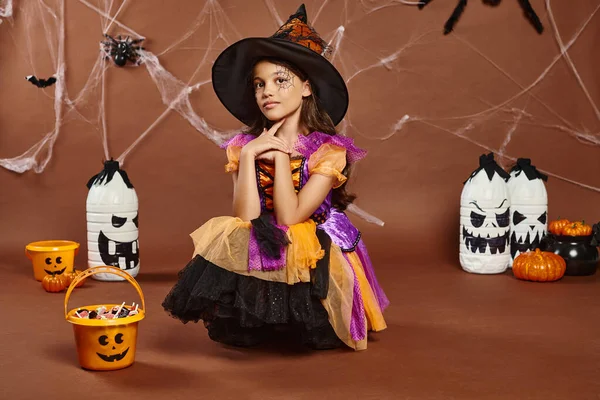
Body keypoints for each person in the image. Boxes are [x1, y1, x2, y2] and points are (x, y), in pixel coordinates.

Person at [162, 4, 389, 351]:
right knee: (243, 234)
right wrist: (252, 155)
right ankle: (265, 318)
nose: (267, 91)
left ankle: (304, 318)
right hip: (268, 236)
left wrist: (281, 155)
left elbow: (291, 217)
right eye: (259, 84)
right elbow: (246, 217)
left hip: (314, 242)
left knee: (293, 237)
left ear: (306, 88)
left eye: (280, 80)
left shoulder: (329, 150)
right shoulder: (244, 146)